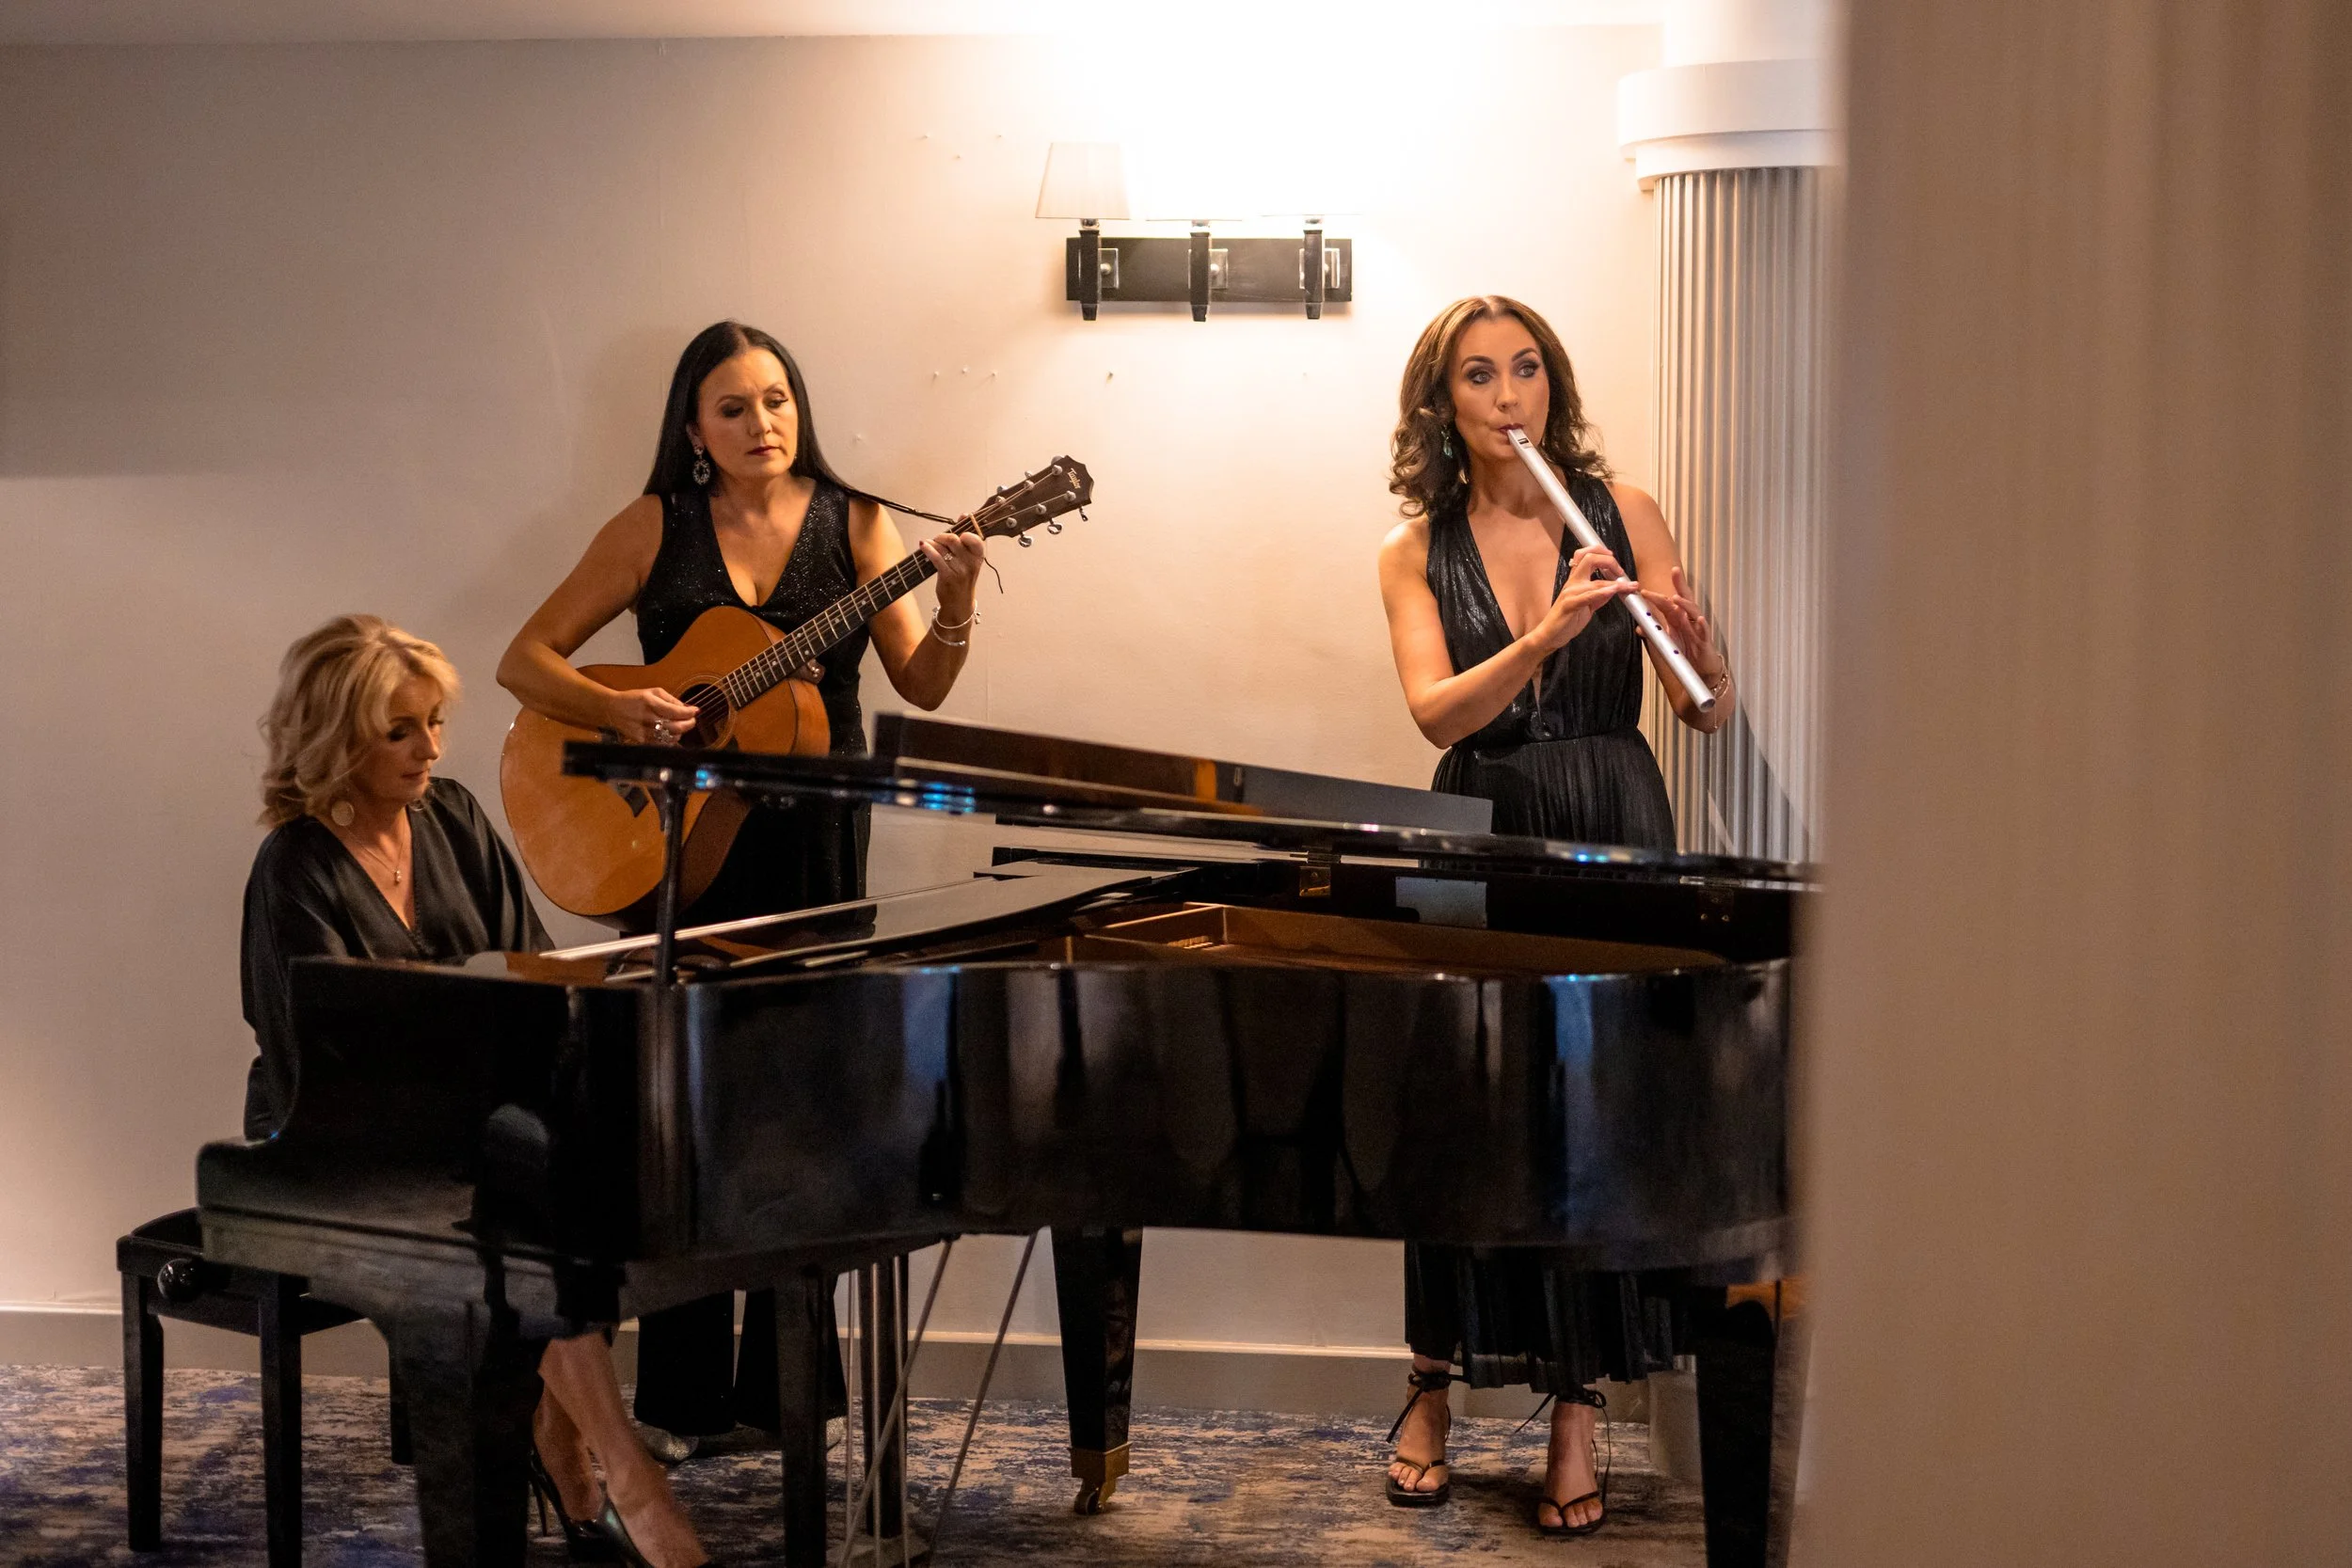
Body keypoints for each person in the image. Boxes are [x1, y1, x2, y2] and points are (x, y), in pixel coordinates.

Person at [497, 320, 987, 1449]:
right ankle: (678, 1397)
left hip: (816, 848)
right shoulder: (652, 527)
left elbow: (923, 680)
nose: (763, 423)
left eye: (777, 399)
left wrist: (957, 599)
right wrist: (621, 708)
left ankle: (788, 1393)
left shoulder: (857, 522)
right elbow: (525, 660)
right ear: (693, 429)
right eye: (734, 407)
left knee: (808, 1112)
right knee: (687, 1115)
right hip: (683, 850)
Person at [241, 615, 713, 1568]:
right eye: (399, 731)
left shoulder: (452, 815)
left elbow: (531, 967)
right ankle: (627, 1475)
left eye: (434, 722)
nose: (429, 748)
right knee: (523, 1190)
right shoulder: (293, 865)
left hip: (480, 1127)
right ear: (335, 739)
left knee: (590, 1163)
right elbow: (317, 1053)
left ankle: (563, 1438)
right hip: (336, 1144)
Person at [1374, 295, 1733, 1536]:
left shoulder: (1622, 509)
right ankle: (1431, 1382)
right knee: (1464, 1106)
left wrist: (1701, 659)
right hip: (1483, 822)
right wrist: (1544, 634)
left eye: (1526, 369)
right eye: (1479, 375)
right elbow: (1437, 711)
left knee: (1599, 1109)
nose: (1508, 394)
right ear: (1444, 404)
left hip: (1615, 814)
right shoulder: (1411, 549)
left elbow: (1703, 711)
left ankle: (1578, 1409)